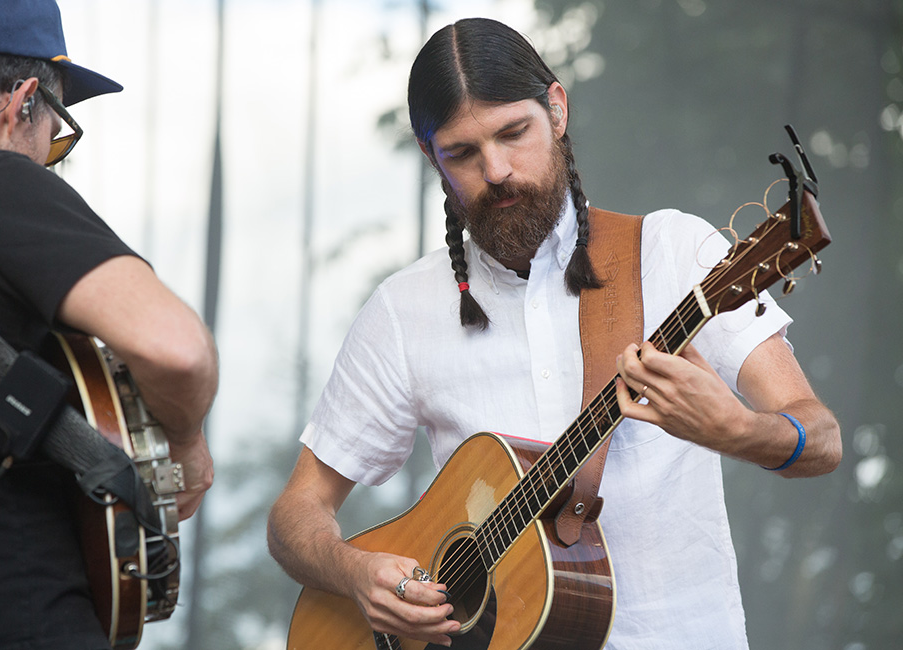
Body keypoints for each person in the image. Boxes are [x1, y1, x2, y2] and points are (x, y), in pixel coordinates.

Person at [267, 16, 841, 649]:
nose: (497, 170)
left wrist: (737, 431)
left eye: (515, 133)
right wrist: (355, 573)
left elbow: (820, 438)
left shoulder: (673, 252)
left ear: (557, 110)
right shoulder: (403, 311)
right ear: (431, 155)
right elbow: (296, 515)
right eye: (461, 152)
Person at [0, 1, 218, 648]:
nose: (49, 156)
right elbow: (176, 349)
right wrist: (184, 445)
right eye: (57, 133)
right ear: (20, 101)